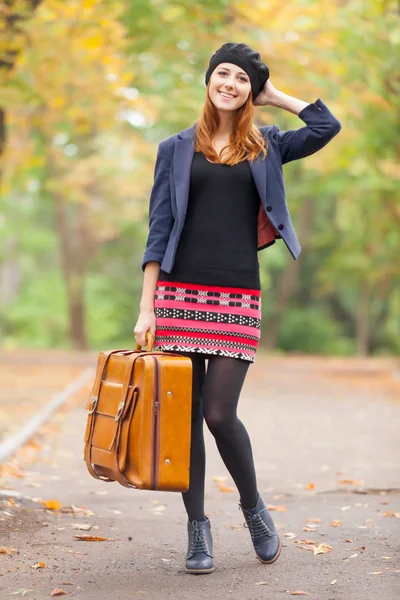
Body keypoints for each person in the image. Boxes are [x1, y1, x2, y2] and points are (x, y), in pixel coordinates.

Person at [134, 42, 341, 574]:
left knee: (219, 413)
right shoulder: (175, 148)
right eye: (222, 73)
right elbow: (158, 231)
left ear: (252, 90)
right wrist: (146, 308)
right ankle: (197, 531)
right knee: (184, 422)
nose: (230, 83)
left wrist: (279, 98)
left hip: (237, 294)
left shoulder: (266, 145)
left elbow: (326, 128)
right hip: (178, 296)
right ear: (207, 80)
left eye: (242, 79)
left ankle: (253, 510)